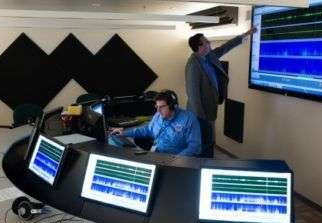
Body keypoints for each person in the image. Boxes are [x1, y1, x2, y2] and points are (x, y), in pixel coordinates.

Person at [185, 27, 257, 158]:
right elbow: (193, 94)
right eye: (207, 41)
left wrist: (245, 35)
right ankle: (202, 166)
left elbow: (226, 47)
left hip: (210, 110)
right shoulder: (193, 64)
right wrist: (201, 118)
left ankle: (207, 162)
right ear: (200, 46)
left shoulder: (209, 56)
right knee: (203, 143)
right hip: (200, 114)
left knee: (209, 141)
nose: (209, 43)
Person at [110, 90, 201, 157]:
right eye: (156, 106)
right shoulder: (158, 114)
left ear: (173, 106)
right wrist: (125, 132)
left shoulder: (189, 118)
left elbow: (195, 146)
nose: (158, 110)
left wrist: (177, 159)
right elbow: (147, 130)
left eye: (162, 107)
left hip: (177, 159)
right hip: (157, 155)